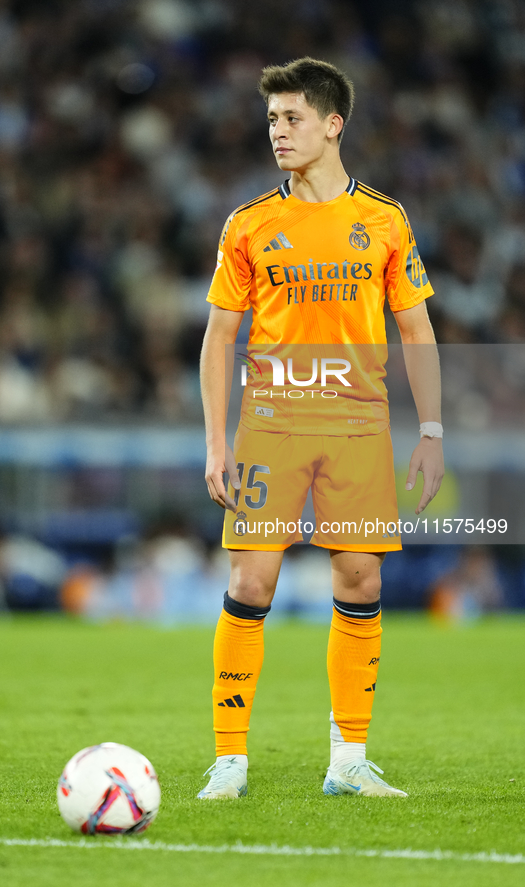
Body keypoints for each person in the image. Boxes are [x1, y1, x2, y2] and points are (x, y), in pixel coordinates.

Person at [198, 57, 444, 800]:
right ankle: (230, 760)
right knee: (250, 577)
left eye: (292, 117)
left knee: (361, 577)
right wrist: (215, 440)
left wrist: (430, 429)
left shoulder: (383, 219)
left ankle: (347, 759)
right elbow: (217, 338)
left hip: (356, 423)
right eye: (272, 118)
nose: (277, 130)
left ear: (332, 124)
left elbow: (416, 329)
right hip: (269, 423)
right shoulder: (248, 224)